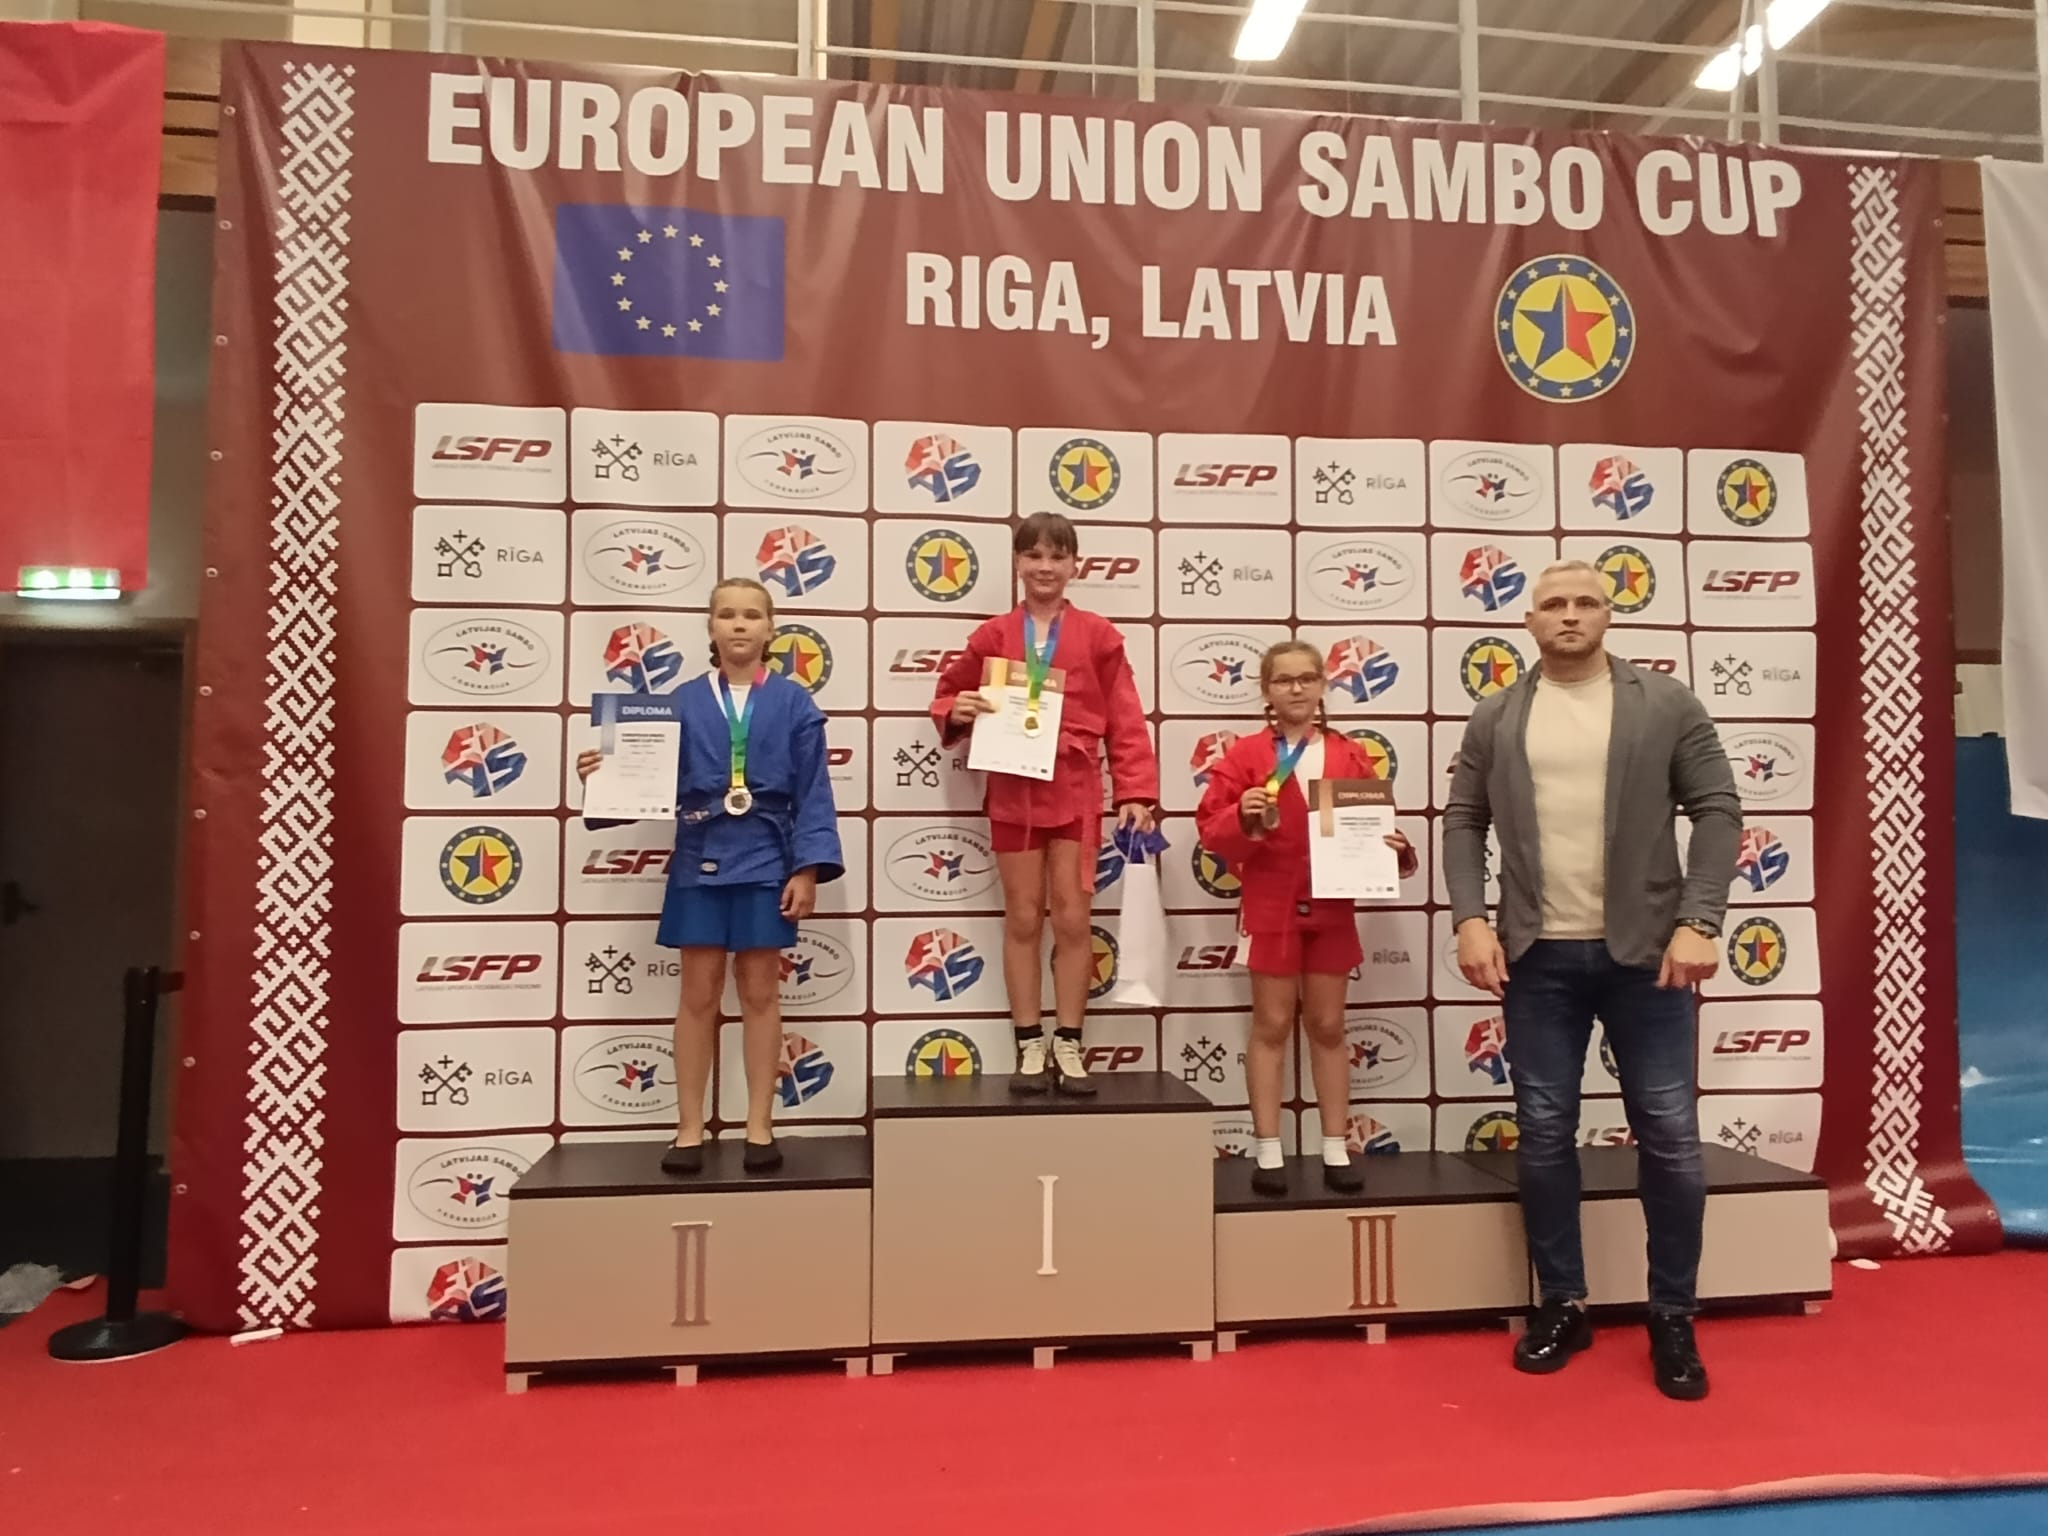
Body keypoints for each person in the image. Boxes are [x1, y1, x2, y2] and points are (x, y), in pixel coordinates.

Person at [1444, 560, 1741, 1401]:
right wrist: (1469, 918)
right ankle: (1563, 1304)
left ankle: (1672, 1315)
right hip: (1537, 959)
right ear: (1529, 622)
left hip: (1648, 956)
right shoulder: (1497, 714)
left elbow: (1718, 808)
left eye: (1585, 602)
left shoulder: (1666, 704)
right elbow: (1464, 820)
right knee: (1543, 1133)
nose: (1569, 615)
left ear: (1609, 615)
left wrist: (1701, 918)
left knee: (1670, 1136)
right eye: (1553, 604)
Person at [577, 576, 843, 1175]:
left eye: (751, 614)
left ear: (771, 629)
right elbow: (645, 785)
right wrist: (602, 776)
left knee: (761, 994)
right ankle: (689, 1128)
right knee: (696, 995)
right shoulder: (678, 703)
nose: (739, 624)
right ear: (711, 628)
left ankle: (759, 1125)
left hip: (767, 858)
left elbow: (814, 793)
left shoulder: (795, 703)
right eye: (727, 615)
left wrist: (807, 869)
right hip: (700, 853)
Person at [931, 512, 1158, 1095]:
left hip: (1075, 789)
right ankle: (1029, 1041)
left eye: (1058, 556)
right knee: (1024, 917)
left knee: (1075, 918)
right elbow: (950, 694)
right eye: (1034, 555)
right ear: (1017, 562)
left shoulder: (1100, 636)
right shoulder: (992, 636)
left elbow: (1126, 718)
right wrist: (955, 711)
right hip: (1014, 789)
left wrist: (1135, 791)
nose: (1045, 567)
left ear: (1075, 565)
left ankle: (1070, 1041)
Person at [1196, 640, 1417, 1195]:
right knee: (1271, 1025)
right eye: (1283, 680)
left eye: (1306, 678)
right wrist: (1240, 815)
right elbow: (1211, 830)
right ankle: (1268, 1150)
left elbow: (1373, 831)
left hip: (1332, 908)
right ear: (1266, 691)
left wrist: (1394, 850)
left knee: (1329, 1026)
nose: (1295, 689)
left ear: (1322, 686)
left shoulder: (1350, 755)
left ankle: (1335, 1147)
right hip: (1271, 907)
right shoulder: (1246, 755)